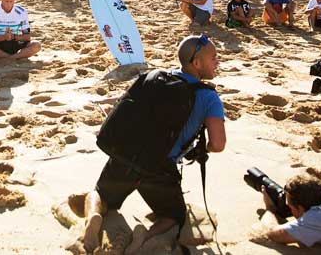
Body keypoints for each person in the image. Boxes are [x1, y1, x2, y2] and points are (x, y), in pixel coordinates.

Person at [81, 35, 226, 252]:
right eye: (214, 57)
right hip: (158, 170)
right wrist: (201, 150)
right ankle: (145, 237)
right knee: (174, 217)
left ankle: (93, 217)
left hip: (124, 157)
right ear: (196, 63)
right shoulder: (208, 97)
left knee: (99, 194)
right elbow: (218, 143)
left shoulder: (153, 76)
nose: (218, 61)